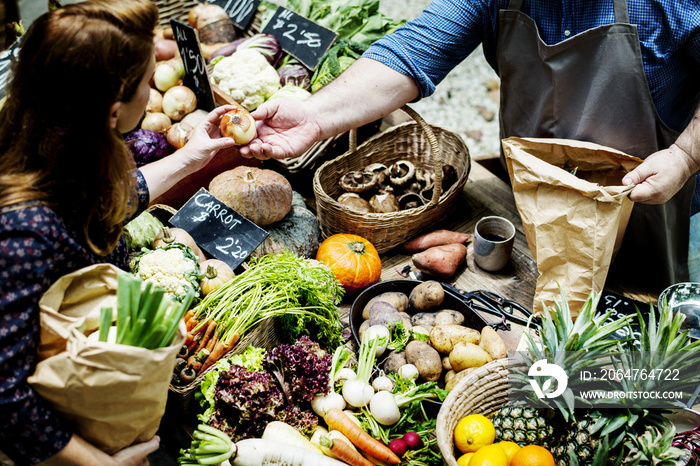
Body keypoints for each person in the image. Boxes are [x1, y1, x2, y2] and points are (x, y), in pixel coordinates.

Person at [240, 0, 700, 292]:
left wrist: (685, 155)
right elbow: (412, 51)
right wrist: (317, 115)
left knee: (648, 331)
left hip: (648, 208)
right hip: (535, 205)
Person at [0, 0, 239, 464]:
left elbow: (101, 206)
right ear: (113, 111)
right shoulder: (22, 234)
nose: (155, 84)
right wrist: (101, 464)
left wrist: (194, 154)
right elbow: (6, 396)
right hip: (66, 435)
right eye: (148, 81)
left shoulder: (50, 147)